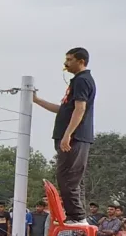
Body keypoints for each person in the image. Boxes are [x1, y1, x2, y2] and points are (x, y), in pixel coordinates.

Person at [33, 47, 96, 224]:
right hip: (70, 136)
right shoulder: (76, 82)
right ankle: (78, 214)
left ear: (81, 61)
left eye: (69, 60)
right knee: (73, 178)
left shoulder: (83, 80)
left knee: (68, 177)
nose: (66, 63)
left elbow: (80, 108)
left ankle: (76, 216)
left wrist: (68, 134)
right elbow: (65, 109)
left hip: (75, 137)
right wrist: (38, 101)